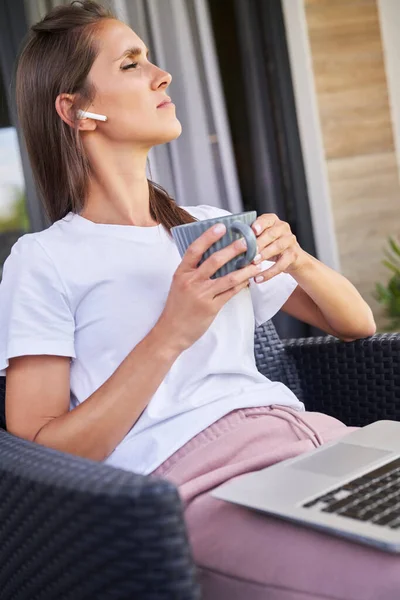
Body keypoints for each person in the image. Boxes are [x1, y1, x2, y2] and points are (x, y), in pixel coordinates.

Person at [0, 1, 395, 599]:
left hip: (313, 439)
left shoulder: (207, 227)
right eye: (132, 64)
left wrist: (300, 258)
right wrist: (172, 331)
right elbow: (41, 450)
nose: (162, 75)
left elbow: (357, 325)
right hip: (197, 483)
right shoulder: (45, 258)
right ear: (77, 109)